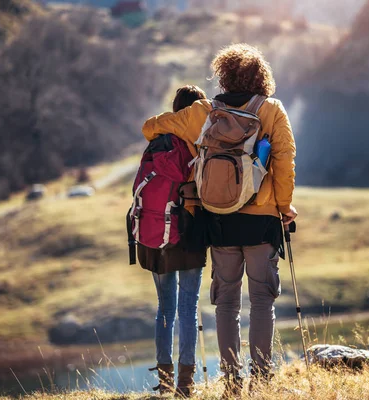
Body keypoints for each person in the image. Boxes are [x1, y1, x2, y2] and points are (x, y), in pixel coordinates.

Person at [142, 43, 297, 397]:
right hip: (261, 220)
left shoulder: (205, 111)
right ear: (262, 76)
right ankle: (261, 377)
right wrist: (284, 206)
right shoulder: (271, 109)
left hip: (220, 219)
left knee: (226, 301)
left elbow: (150, 128)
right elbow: (285, 162)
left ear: (223, 75)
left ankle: (231, 381)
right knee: (261, 299)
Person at [140, 85, 208, 398]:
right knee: (188, 308)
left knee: (164, 308)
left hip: (154, 233)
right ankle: (186, 382)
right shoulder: (199, 138)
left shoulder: (157, 139)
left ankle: (165, 380)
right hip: (189, 231)